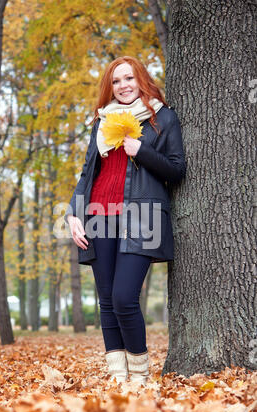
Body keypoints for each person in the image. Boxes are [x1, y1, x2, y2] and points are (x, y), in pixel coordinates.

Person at [64, 56, 186, 388]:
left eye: (129, 78)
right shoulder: (101, 122)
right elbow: (87, 174)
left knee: (123, 298)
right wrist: (73, 214)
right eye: (116, 81)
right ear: (110, 87)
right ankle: (120, 380)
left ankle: (141, 380)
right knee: (107, 302)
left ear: (141, 80)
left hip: (142, 217)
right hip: (98, 217)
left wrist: (141, 150)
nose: (123, 86)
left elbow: (176, 169)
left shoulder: (162, 118)